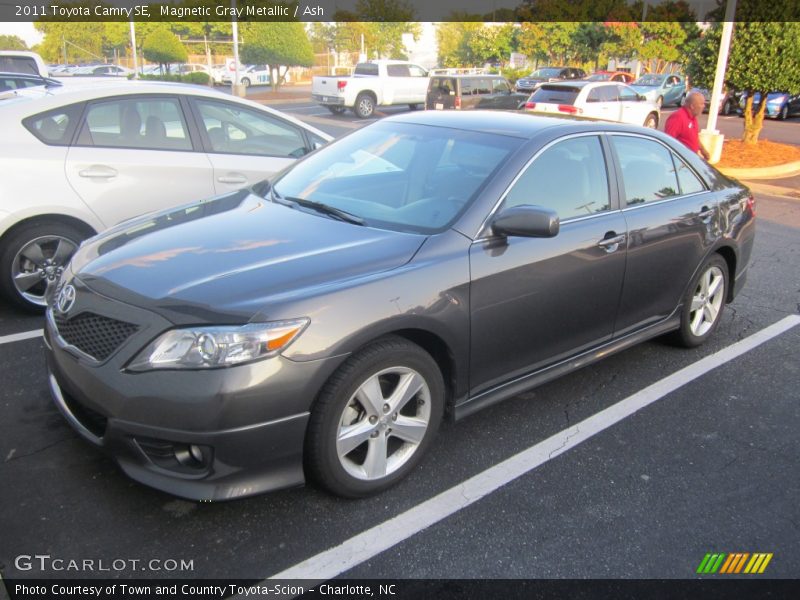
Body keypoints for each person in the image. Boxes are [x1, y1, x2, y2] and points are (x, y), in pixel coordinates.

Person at [664, 91, 710, 160]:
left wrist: (703, 150)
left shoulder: (693, 118)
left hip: (691, 159)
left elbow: (694, 137)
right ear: (692, 106)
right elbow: (668, 141)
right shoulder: (678, 117)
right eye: (701, 104)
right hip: (680, 161)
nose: (704, 106)